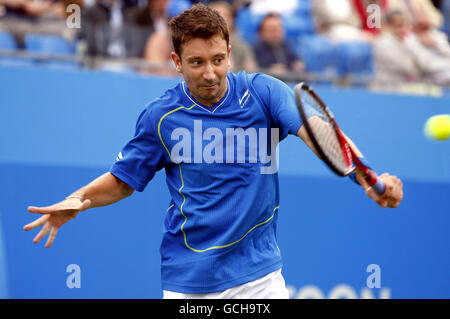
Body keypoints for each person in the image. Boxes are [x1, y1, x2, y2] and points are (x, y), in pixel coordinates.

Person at [24, 3, 403, 299]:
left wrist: (365, 175)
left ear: (230, 54)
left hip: (259, 276)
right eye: (197, 63)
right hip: (188, 278)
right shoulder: (161, 117)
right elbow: (124, 181)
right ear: (177, 63)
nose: (210, 73)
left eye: (218, 60)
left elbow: (320, 132)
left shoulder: (264, 93)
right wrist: (79, 198)